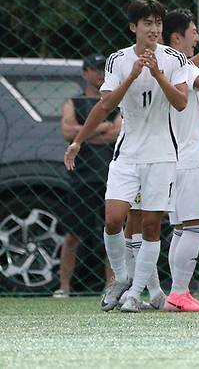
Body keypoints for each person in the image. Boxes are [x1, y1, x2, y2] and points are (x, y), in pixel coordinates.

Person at [64, 0, 191, 312]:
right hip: (127, 152)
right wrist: (78, 141)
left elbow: (181, 103)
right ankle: (120, 277)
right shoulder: (118, 61)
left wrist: (158, 74)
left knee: (151, 224)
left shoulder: (174, 59)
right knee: (113, 219)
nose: (154, 28)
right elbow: (105, 104)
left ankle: (135, 292)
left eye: (158, 23)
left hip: (162, 153)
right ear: (134, 27)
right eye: (147, 23)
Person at [160, 8, 199, 312]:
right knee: (197, 225)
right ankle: (178, 293)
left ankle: (176, 294)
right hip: (190, 158)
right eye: (193, 32)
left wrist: (193, 126)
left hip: (173, 156)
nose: (198, 36)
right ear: (177, 37)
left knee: (182, 228)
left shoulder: (167, 63)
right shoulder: (177, 62)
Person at [55, 54, 120, 297]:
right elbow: (66, 130)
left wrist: (83, 136)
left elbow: (115, 133)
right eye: (94, 69)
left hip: (109, 175)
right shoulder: (73, 101)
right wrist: (100, 127)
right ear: (85, 73)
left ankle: (112, 285)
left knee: (112, 231)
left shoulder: (115, 103)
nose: (99, 73)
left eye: (103, 68)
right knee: (72, 235)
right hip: (79, 176)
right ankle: (63, 287)